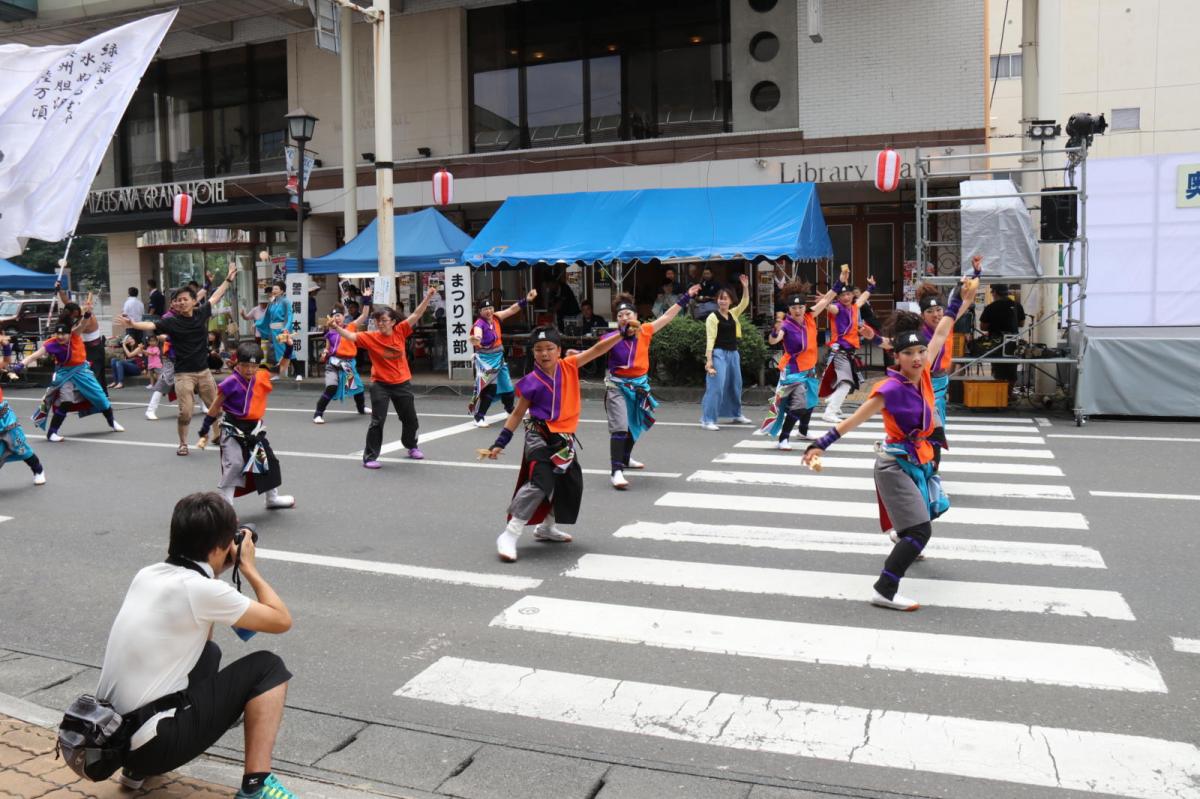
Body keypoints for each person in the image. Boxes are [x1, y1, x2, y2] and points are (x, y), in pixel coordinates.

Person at [802, 267, 980, 611]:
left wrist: (958, 295)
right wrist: (819, 444)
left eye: (921, 352)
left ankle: (902, 536)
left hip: (917, 461)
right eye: (909, 354)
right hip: (895, 466)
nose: (918, 358)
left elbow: (945, 327)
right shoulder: (890, 389)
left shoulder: (923, 374)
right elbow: (853, 420)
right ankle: (885, 589)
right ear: (896, 358)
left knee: (924, 519)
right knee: (920, 532)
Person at [97, 492, 296, 798]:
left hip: (114, 739)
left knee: (209, 653)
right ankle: (256, 787)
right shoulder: (201, 589)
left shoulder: (147, 574)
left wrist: (214, 570)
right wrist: (248, 567)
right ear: (218, 547)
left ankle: (137, 770)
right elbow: (281, 620)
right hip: (155, 746)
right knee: (268, 667)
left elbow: (198, 641)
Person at [484, 325, 623, 562]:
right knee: (541, 482)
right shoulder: (531, 381)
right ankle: (510, 533)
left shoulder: (570, 366)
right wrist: (501, 441)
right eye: (538, 349)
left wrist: (622, 333)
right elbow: (517, 413)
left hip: (563, 438)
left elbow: (598, 349)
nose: (544, 353)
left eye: (549, 348)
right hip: (538, 434)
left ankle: (546, 527)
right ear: (533, 353)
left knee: (568, 484)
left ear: (559, 350)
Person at [118, 266, 238, 456]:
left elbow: (216, 296)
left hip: (204, 372)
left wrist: (228, 279)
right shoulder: (171, 321)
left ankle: (217, 435)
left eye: (185, 299)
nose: (181, 302)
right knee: (185, 412)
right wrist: (133, 324)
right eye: (178, 300)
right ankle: (183, 443)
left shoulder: (201, 313)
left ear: (193, 301)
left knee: (215, 407)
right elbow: (150, 324)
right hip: (183, 374)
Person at [605, 284, 699, 489]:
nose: (624, 317)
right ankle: (616, 471)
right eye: (620, 315)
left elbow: (667, 317)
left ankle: (625, 458)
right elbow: (594, 351)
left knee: (635, 425)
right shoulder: (611, 337)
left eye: (628, 314)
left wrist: (686, 297)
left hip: (639, 387)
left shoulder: (645, 331)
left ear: (636, 316)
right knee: (620, 426)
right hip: (617, 387)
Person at [331, 289, 438, 468]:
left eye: (384, 320)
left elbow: (416, 314)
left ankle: (411, 446)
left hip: (402, 383)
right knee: (377, 421)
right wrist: (337, 328)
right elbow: (350, 336)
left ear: (393, 322)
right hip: (380, 384)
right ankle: (370, 457)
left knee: (410, 419)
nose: (380, 324)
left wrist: (427, 297)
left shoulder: (400, 330)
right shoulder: (371, 337)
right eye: (377, 321)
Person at [195, 343, 295, 510]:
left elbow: (282, 367)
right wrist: (204, 430)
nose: (249, 370)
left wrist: (289, 348)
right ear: (237, 364)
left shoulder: (261, 375)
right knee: (234, 464)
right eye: (245, 365)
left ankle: (272, 498)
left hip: (254, 429)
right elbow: (215, 406)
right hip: (233, 428)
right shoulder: (231, 382)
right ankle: (226, 507)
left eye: (253, 366)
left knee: (267, 461)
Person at [757, 282, 838, 449]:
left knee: (811, 402)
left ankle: (803, 431)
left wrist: (840, 282)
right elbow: (774, 340)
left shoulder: (809, 317)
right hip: (793, 371)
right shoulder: (786, 325)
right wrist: (774, 330)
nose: (798, 310)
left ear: (805, 307)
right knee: (799, 404)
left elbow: (827, 299)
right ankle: (783, 438)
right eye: (794, 308)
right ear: (789, 309)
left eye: (801, 307)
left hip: (809, 369)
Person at [20, 315, 125, 441]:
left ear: (69, 334)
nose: (60, 337)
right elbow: (34, 356)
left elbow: (82, 325)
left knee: (101, 398)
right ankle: (52, 433)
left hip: (82, 371)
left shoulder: (75, 336)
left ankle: (112, 422)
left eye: (63, 334)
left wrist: (87, 315)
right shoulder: (52, 343)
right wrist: (21, 364)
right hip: (65, 374)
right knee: (66, 402)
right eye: (58, 334)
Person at [819, 265, 878, 423]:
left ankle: (834, 404)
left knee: (847, 382)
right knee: (846, 383)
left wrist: (871, 287)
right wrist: (825, 302)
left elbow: (863, 298)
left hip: (849, 352)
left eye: (848, 294)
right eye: (842, 295)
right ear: (838, 297)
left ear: (852, 295)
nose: (846, 297)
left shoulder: (854, 307)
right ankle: (830, 411)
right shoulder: (838, 308)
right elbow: (830, 307)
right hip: (840, 352)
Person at [468, 290, 536, 427]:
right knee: (490, 389)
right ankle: (479, 417)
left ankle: (510, 410)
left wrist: (526, 300)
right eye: (485, 309)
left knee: (508, 387)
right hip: (486, 362)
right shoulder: (479, 324)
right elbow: (478, 335)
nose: (488, 311)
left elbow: (511, 310)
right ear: (480, 311)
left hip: (499, 358)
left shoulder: (496, 317)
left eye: (490, 308)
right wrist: (477, 339)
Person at [700, 274, 752, 431]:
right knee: (716, 386)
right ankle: (707, 419)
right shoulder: (712, 317)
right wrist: (709, 360)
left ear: (730, 301)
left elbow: (745, 302)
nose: (722, 301)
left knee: (736, 385)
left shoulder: (733, 314)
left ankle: (736, 414)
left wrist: (745, 287)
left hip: (733, 353)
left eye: (725, 298)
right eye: (720, 298)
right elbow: (710, 339)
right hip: (718, 354)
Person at [313, 298, 372, 423]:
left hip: (347, 364)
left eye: (339, 315)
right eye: (335, 316)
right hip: (333, 364)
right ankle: (318, 414)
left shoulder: (350, 327)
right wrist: (324, 352)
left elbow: (364, 315)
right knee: (331, 387)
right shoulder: (330, 332)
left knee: (357, 387)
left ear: (344, 317)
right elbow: (328, 347)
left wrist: (366, 300)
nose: (337, 318)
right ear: (331, 318)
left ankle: (361, 408)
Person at [0, 335, 46, 485]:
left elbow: (6, 361)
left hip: (5, 419)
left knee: (20, 446)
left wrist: (5, 346)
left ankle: (38, 469)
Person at [59, 288, 108, 396]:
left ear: (75, 312)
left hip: (95, 347)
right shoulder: (80, 310)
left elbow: (77, 331)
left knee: (94, 372)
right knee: (90, 371)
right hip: (87, 346)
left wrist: (66, 332)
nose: (71, 317)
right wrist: (60, 291)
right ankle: (99, 394)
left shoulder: (86, 318)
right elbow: (67, 302)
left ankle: (98, 395)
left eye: (71, 314)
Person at [979, 282, 1026, 387]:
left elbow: (983, 327)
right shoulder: (1017, 305)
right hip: (1012, 342)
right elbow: (1022, 323)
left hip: (996, 343)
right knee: (1011, 369)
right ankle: (1009, 393)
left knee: (998, 369)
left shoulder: (991, 307)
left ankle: (1000, 393)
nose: (992, 294)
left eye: (992, 292)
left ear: (995, 292)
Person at [261, 281, 294, 381]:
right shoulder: (272, 302)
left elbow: (290, 315)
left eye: (276, 289)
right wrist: (257, 323)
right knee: (274, 353)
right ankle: (278, 372)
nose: (273, 291)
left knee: (282, 352)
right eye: (273, 289)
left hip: (281, 330)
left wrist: (286, 328)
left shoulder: (286, 301)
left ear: (282, 291)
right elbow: (267, 316)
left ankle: (282, 373)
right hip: (272, 331)